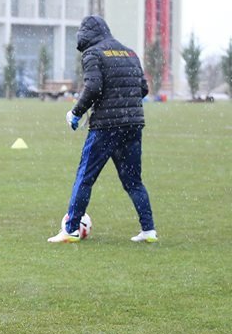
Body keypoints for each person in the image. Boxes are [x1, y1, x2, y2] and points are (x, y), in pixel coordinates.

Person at [47, 15, 157, 244]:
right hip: (133, 124)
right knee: (134, 181)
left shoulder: (93, 54)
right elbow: (143, 88)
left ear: (85, 36)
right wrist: (124, 104)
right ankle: (149, 230)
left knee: (85, 177)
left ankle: (71, 229)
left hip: (106, 127)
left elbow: (94, 86)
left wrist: (76, 112)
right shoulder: (130, 53)